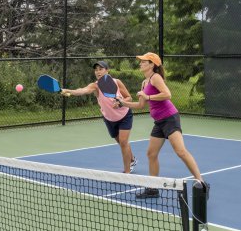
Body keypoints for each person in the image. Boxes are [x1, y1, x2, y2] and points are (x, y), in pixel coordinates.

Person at [116, 52, 205, 199]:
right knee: (151, 154)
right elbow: (140, 105)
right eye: (141, 61)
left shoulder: (156, 78)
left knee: (180, 151)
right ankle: (153, 188)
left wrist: (148, 96)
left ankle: (201, 183)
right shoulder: (144, 82)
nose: (140, 63)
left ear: (152, 64)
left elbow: (167, 94)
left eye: (144, 61)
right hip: (159, 122)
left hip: (170, 118)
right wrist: (122, 103)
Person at [61, 61, 138, 173]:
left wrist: (121, 102)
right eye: (96, 70)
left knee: (123, 141)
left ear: (107, 70)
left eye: (100, 69)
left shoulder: (116, 82)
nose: (98, 72)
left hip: (124, 115)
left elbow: (129, 98)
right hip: (109, 119)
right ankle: (132, 159)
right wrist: (68, 91)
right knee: (121, 142)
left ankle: (126, 172)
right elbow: (82, 91)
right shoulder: (95, 86)